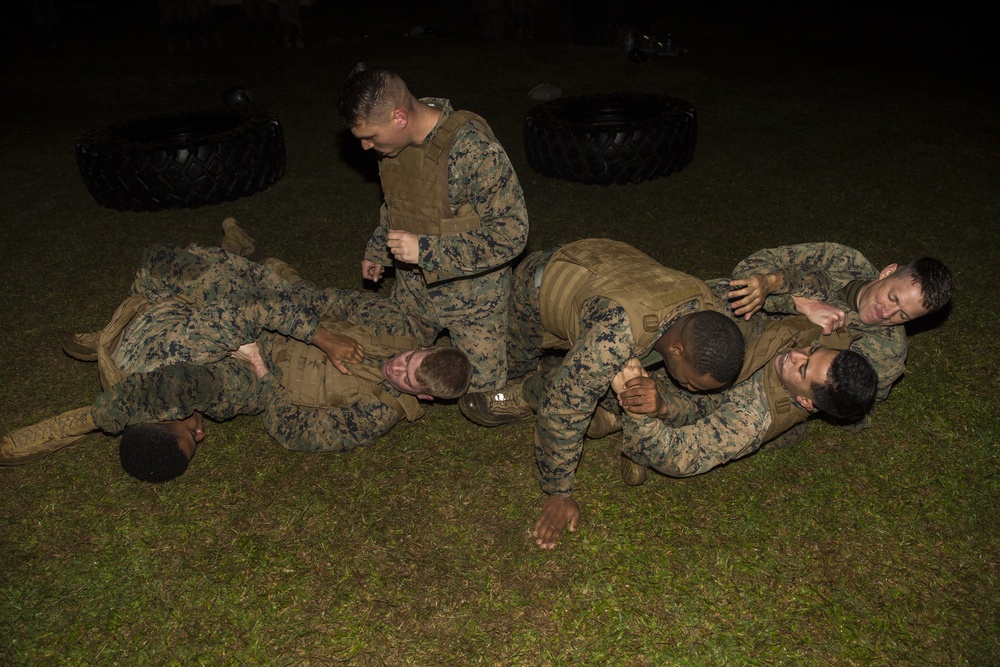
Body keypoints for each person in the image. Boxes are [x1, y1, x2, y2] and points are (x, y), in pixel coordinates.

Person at [0, 224, 473, 481]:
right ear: (423, 347)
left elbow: (296, 432)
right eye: (410, 358)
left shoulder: (374, 414)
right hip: (284, 318)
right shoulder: (395, 327)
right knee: (201, 275)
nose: (398, 365)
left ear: (423, 398)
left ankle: (110, 370)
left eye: (407, 377)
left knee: (203, 381)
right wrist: (304, 316)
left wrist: (264, 373)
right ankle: (130, 326)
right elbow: (332, 302)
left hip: (256, 378)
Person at [459, 238, 746, 550]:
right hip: (542, 285)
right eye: (692, 383)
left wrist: (663, 406)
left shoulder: (712, 315)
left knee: (605, 376)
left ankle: (599, 402)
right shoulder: (615, 337)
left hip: (609, 279)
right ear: (676, 349)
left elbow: (709, 400)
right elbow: (563, 410)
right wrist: (559, 493)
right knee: (519, 366)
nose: (691, 389)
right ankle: (523, 394)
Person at [334, 63, 529, 394]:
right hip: (415, 293)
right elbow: (397, 203)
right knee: (369, 357)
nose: (366, 147)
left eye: (370, 137)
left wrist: (425, 250)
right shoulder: (393, 142)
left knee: (481, 392)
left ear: (400, 118)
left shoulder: (472, 149)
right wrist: (379, 247)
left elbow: (513, 232)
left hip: (472, 297)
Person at [720, 243, 953, 438]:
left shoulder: (887, 354)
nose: (886, 313)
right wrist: (799, 301)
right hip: (743, 320)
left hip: (767, 375)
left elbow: (852, 412)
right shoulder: (843, 261)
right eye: (892, 297)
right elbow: (748, 272)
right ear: (888, 272)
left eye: (903, 315)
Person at [613, 315, 879, 485]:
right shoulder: (829, 336)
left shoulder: (751, 420)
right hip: (720, 386)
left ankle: (619, 422)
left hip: (722, 400)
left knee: (684, 403)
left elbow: (677, 457)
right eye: (812, 351)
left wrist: (640, 410)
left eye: (802, 369)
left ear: (805, 401)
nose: (795, 355)